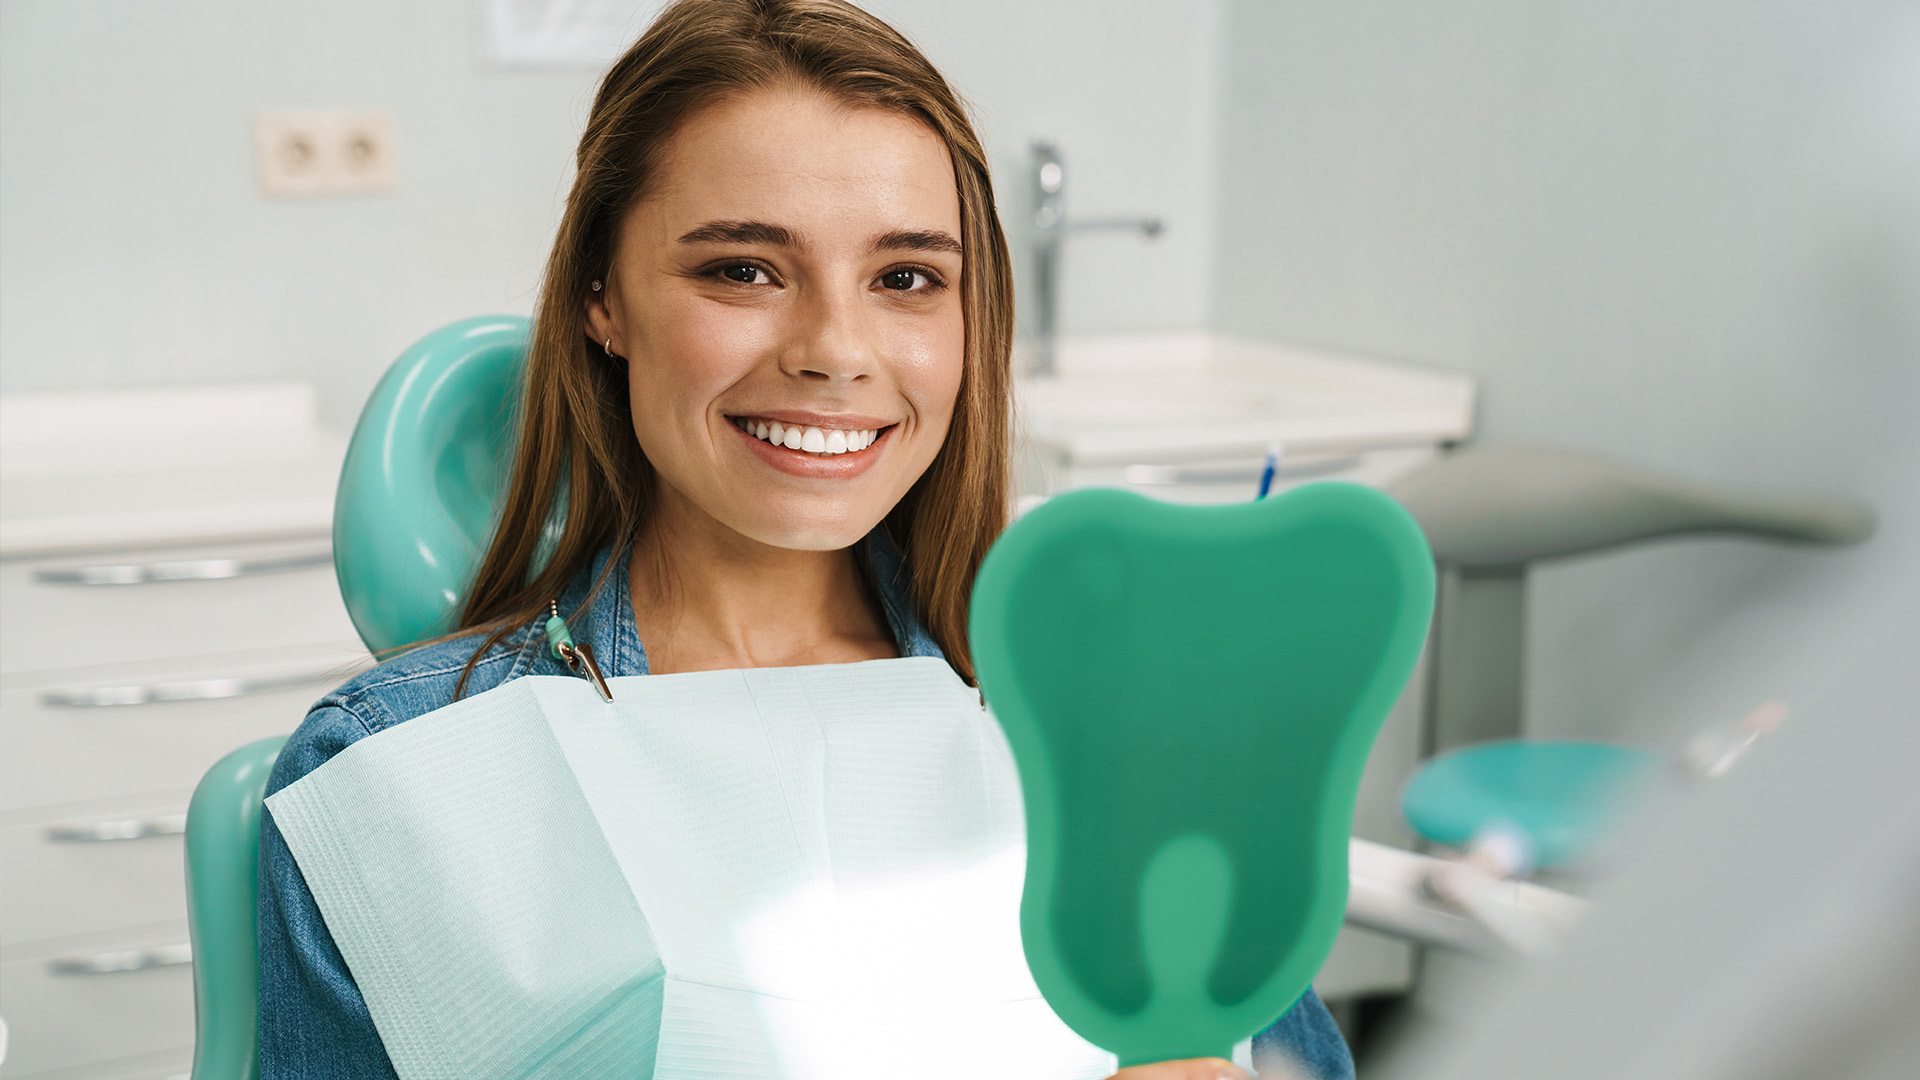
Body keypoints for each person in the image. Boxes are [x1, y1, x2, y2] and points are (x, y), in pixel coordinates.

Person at [257, 2, 1355, 1077]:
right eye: (743, 268)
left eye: (906, 278)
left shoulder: (1112, 727)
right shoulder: (400, 776)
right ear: (604, 298)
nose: (836, 349)